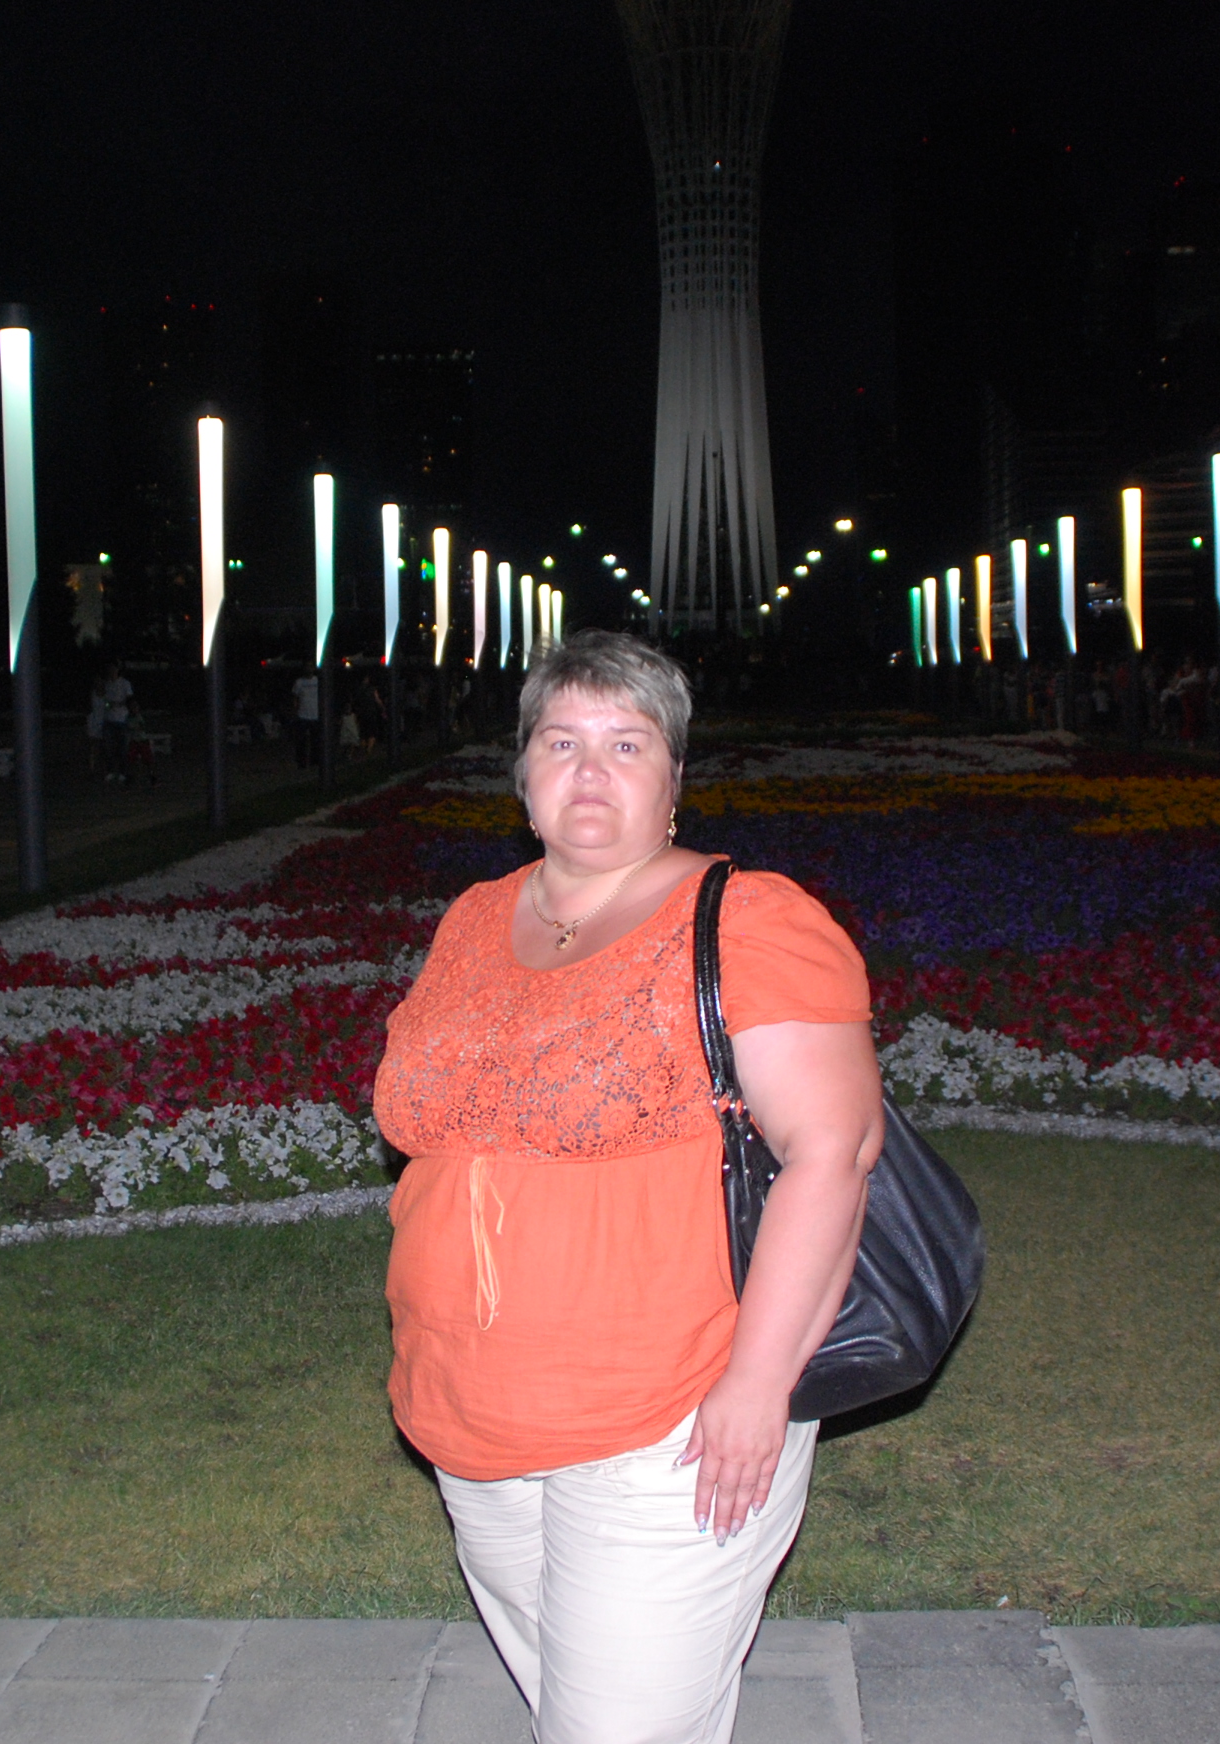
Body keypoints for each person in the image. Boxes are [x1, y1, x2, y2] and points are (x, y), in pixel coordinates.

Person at [372, 632, 883, 1744]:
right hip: (467, 1407)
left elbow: (832, 1153)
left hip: (669, 1414)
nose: (590, 770)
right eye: (561, 743)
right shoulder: (475, 918)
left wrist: (758, 1384)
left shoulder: (746, 919)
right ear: (522, 776)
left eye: (626, 743)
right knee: (568, 1697)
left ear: (674, 779)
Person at [97, 668, 135, 786]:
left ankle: (123, 773)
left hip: (122, 719)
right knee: (109, 748)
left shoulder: (125, 683)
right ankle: (111, 771)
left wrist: (120, 704)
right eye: (110, 669)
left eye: (113, 669)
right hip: (109, 719)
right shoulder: (107, 683)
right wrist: (109, 704)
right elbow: (103, 698)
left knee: (123, 748)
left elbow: (130, 699)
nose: (111, 672)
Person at [292, 667, 323, 769]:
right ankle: (301, 762)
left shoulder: (317, 681)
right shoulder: (299, 682)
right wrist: (295, 711)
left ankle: (315, 761)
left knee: (315, 740)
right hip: (303, 715)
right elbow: (295, 698)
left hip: (315, 715)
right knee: (301, 741)